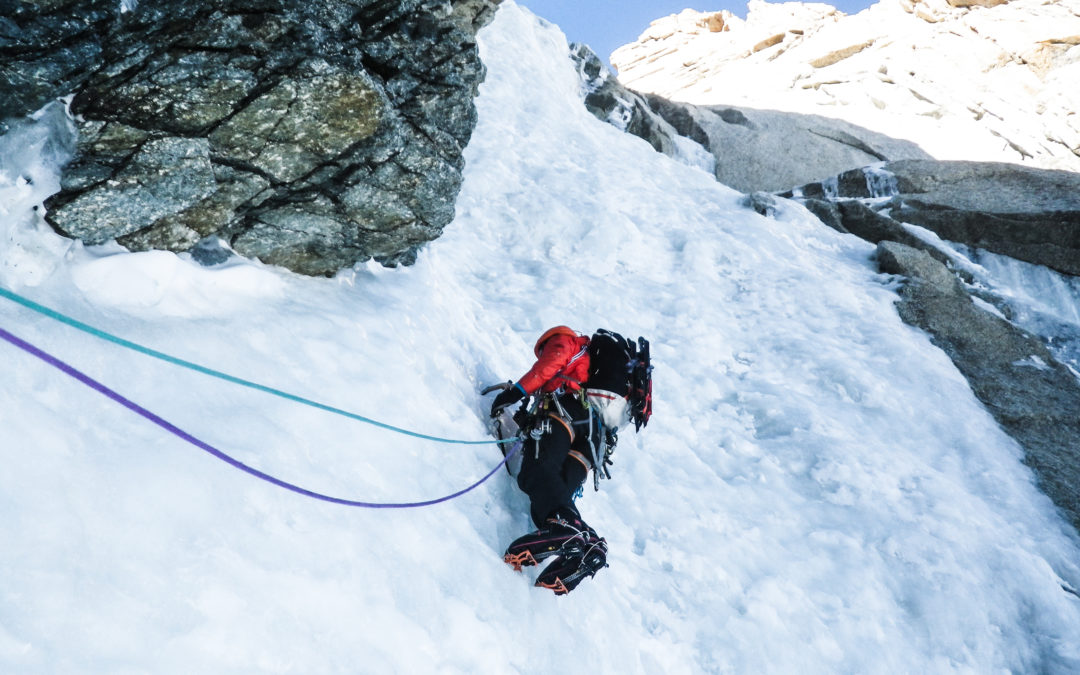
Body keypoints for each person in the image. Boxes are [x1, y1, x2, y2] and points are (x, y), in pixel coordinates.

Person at [489, 325, 610, 595]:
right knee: (557, 494)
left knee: (537, 472)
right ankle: (587, 544)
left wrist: (516, 392)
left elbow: (548, 366)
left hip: (566, 413)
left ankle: (565, 532)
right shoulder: (594, 373)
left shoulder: (566, 340)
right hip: (592, 439)